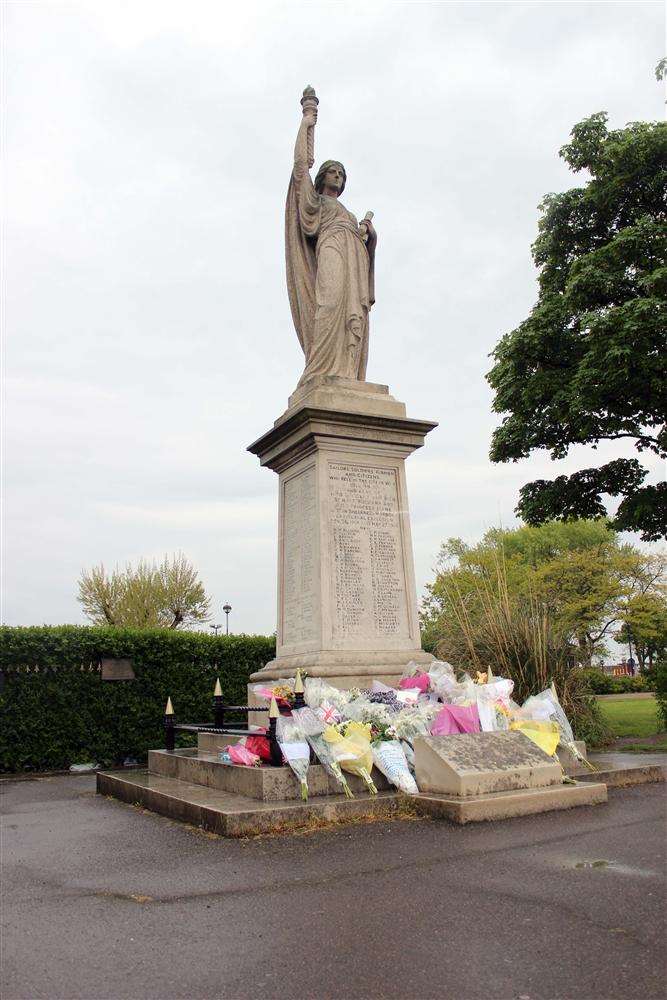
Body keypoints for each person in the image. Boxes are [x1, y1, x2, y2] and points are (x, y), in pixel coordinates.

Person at [285, 103, 377, 387]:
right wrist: (307, 122)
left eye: (341, 174)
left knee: (354, 314)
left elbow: (365, 244)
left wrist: (370, 238)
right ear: (323, 176)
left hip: (354, 258)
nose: (337, 176)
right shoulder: (316, 202)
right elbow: (301, 169)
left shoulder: (348, 213)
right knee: (329, 303)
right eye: (333, 172)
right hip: (332, 247)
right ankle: (318, 368)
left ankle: (347, 373)